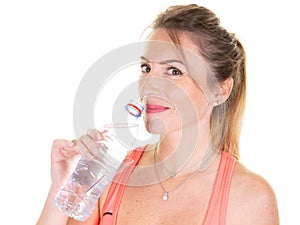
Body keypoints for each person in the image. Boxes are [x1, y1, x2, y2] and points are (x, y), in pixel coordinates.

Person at [36, 4, 279, 225]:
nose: (150, 85)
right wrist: (61, 184)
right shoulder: (109, 175)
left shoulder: (250, 198)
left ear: (220, 90)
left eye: (174, 71)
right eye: (146, 68)